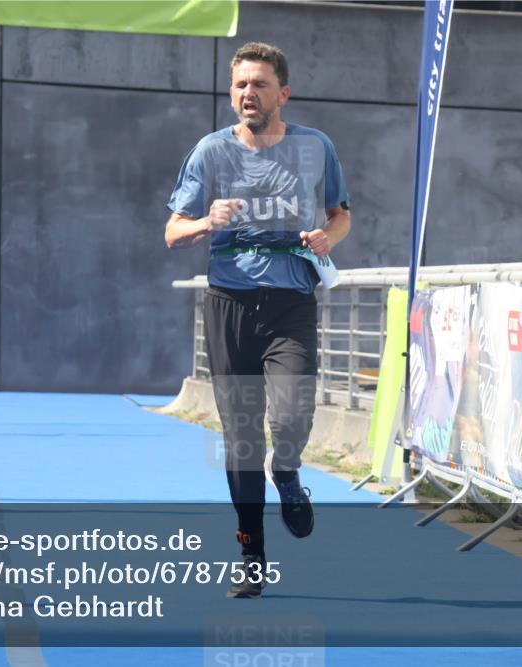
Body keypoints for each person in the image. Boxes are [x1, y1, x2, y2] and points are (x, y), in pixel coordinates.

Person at [164, 42, 351, 598]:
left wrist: (327, 236)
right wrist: (203, 222)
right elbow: (172, 231)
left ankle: (288, 473)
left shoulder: (316, 148)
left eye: (260, 84)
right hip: (230, 305)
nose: (249, 93)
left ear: (283, 93)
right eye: (241, 84)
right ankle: (252, 554)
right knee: (241, 440)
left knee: (290, 419)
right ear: (232, 93)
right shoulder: (210, 152)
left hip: (291, 303)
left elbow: (341, 215)